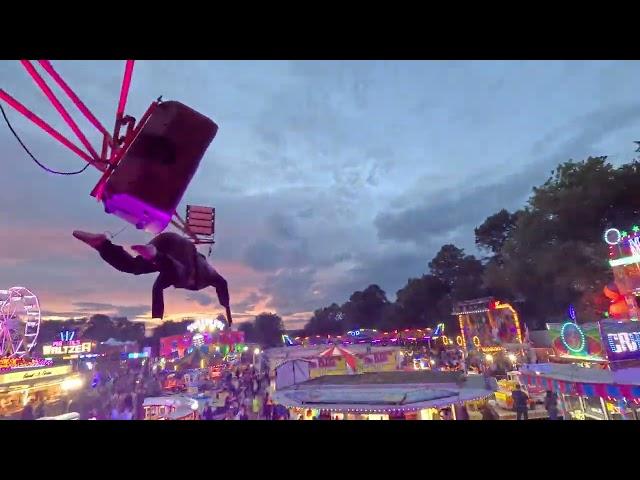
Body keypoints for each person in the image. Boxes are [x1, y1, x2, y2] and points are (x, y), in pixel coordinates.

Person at [72, 230, 232, 324]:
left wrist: (157, 317)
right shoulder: (205, 273)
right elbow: (222, 282)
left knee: (133, 267)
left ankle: (102, 245)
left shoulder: (168, 277)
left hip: (165, 240)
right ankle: (154, 255)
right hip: (178, 247)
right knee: (180, 272)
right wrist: (227, 309)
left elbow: (156, 289)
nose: (184, 284)